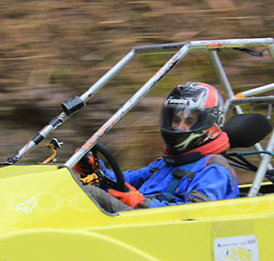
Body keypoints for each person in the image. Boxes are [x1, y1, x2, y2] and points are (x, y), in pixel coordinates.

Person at [75, 82, 239, 214]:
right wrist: (95, 170)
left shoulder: (214, 169)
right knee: (73, 186)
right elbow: (122, 181)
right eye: (176, 119)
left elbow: (196, 215)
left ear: (210, 126)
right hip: (145, 226)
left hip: (172, 235)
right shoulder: (165, 163)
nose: (179, 127)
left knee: (92, 195)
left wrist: (142, 203)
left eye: (189, 122)